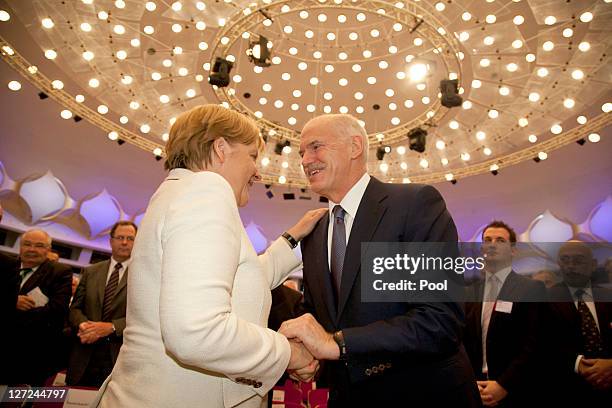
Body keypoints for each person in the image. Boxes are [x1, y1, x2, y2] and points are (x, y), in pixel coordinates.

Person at [93, 104, 325, 408]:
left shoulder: (178, 191)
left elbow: (243, 282)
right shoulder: (208, 190)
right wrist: (289, 353)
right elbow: (196, 330)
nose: (257, 171)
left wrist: (293, 238)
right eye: (253, 156)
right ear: (220, 149)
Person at [279, 114, 480, 407]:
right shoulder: (314, 230)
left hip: (422, 395)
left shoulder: (415, 205)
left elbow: (439, 319)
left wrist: (337, 344)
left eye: (315, 147)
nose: (306, 160)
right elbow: (319, 315)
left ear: (355, 146)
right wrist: (303, 353)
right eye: (301, 153)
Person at [463, 221, 546, 407]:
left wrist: (503, 385)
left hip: (515, 391)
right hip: (476, 390)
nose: (492, 244)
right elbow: (462, 342)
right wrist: (470, 382)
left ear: (513, 250)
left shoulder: (530, 288)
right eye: (487, 240)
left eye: (500, 240)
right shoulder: (469, 292)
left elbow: (534, 344)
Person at [67, 221, 138, 386]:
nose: (125, 242)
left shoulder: (143, 275)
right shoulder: (91, 271)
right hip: (84, 350)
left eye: (130, 238)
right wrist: (84, 326)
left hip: (118, 357)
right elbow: (75, 308)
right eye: (120, 237)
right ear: (111, 240)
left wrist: (111, 327)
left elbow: (143, 315)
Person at [546, 241, 612, 406]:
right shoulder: (544, 299)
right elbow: (540, 344)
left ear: (593, 264)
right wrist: (578, 364)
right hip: (566, 391)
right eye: (565, 260)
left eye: (578, 260)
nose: (570, 266)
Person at [9, 229, 72, 385]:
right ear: (20, 246)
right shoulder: (7, 266)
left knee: (16, 399)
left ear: (48, 250)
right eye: (27, 244)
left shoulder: (60, 272)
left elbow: (58, 310)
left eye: (39, 245)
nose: (32, 249)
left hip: (32, 352)